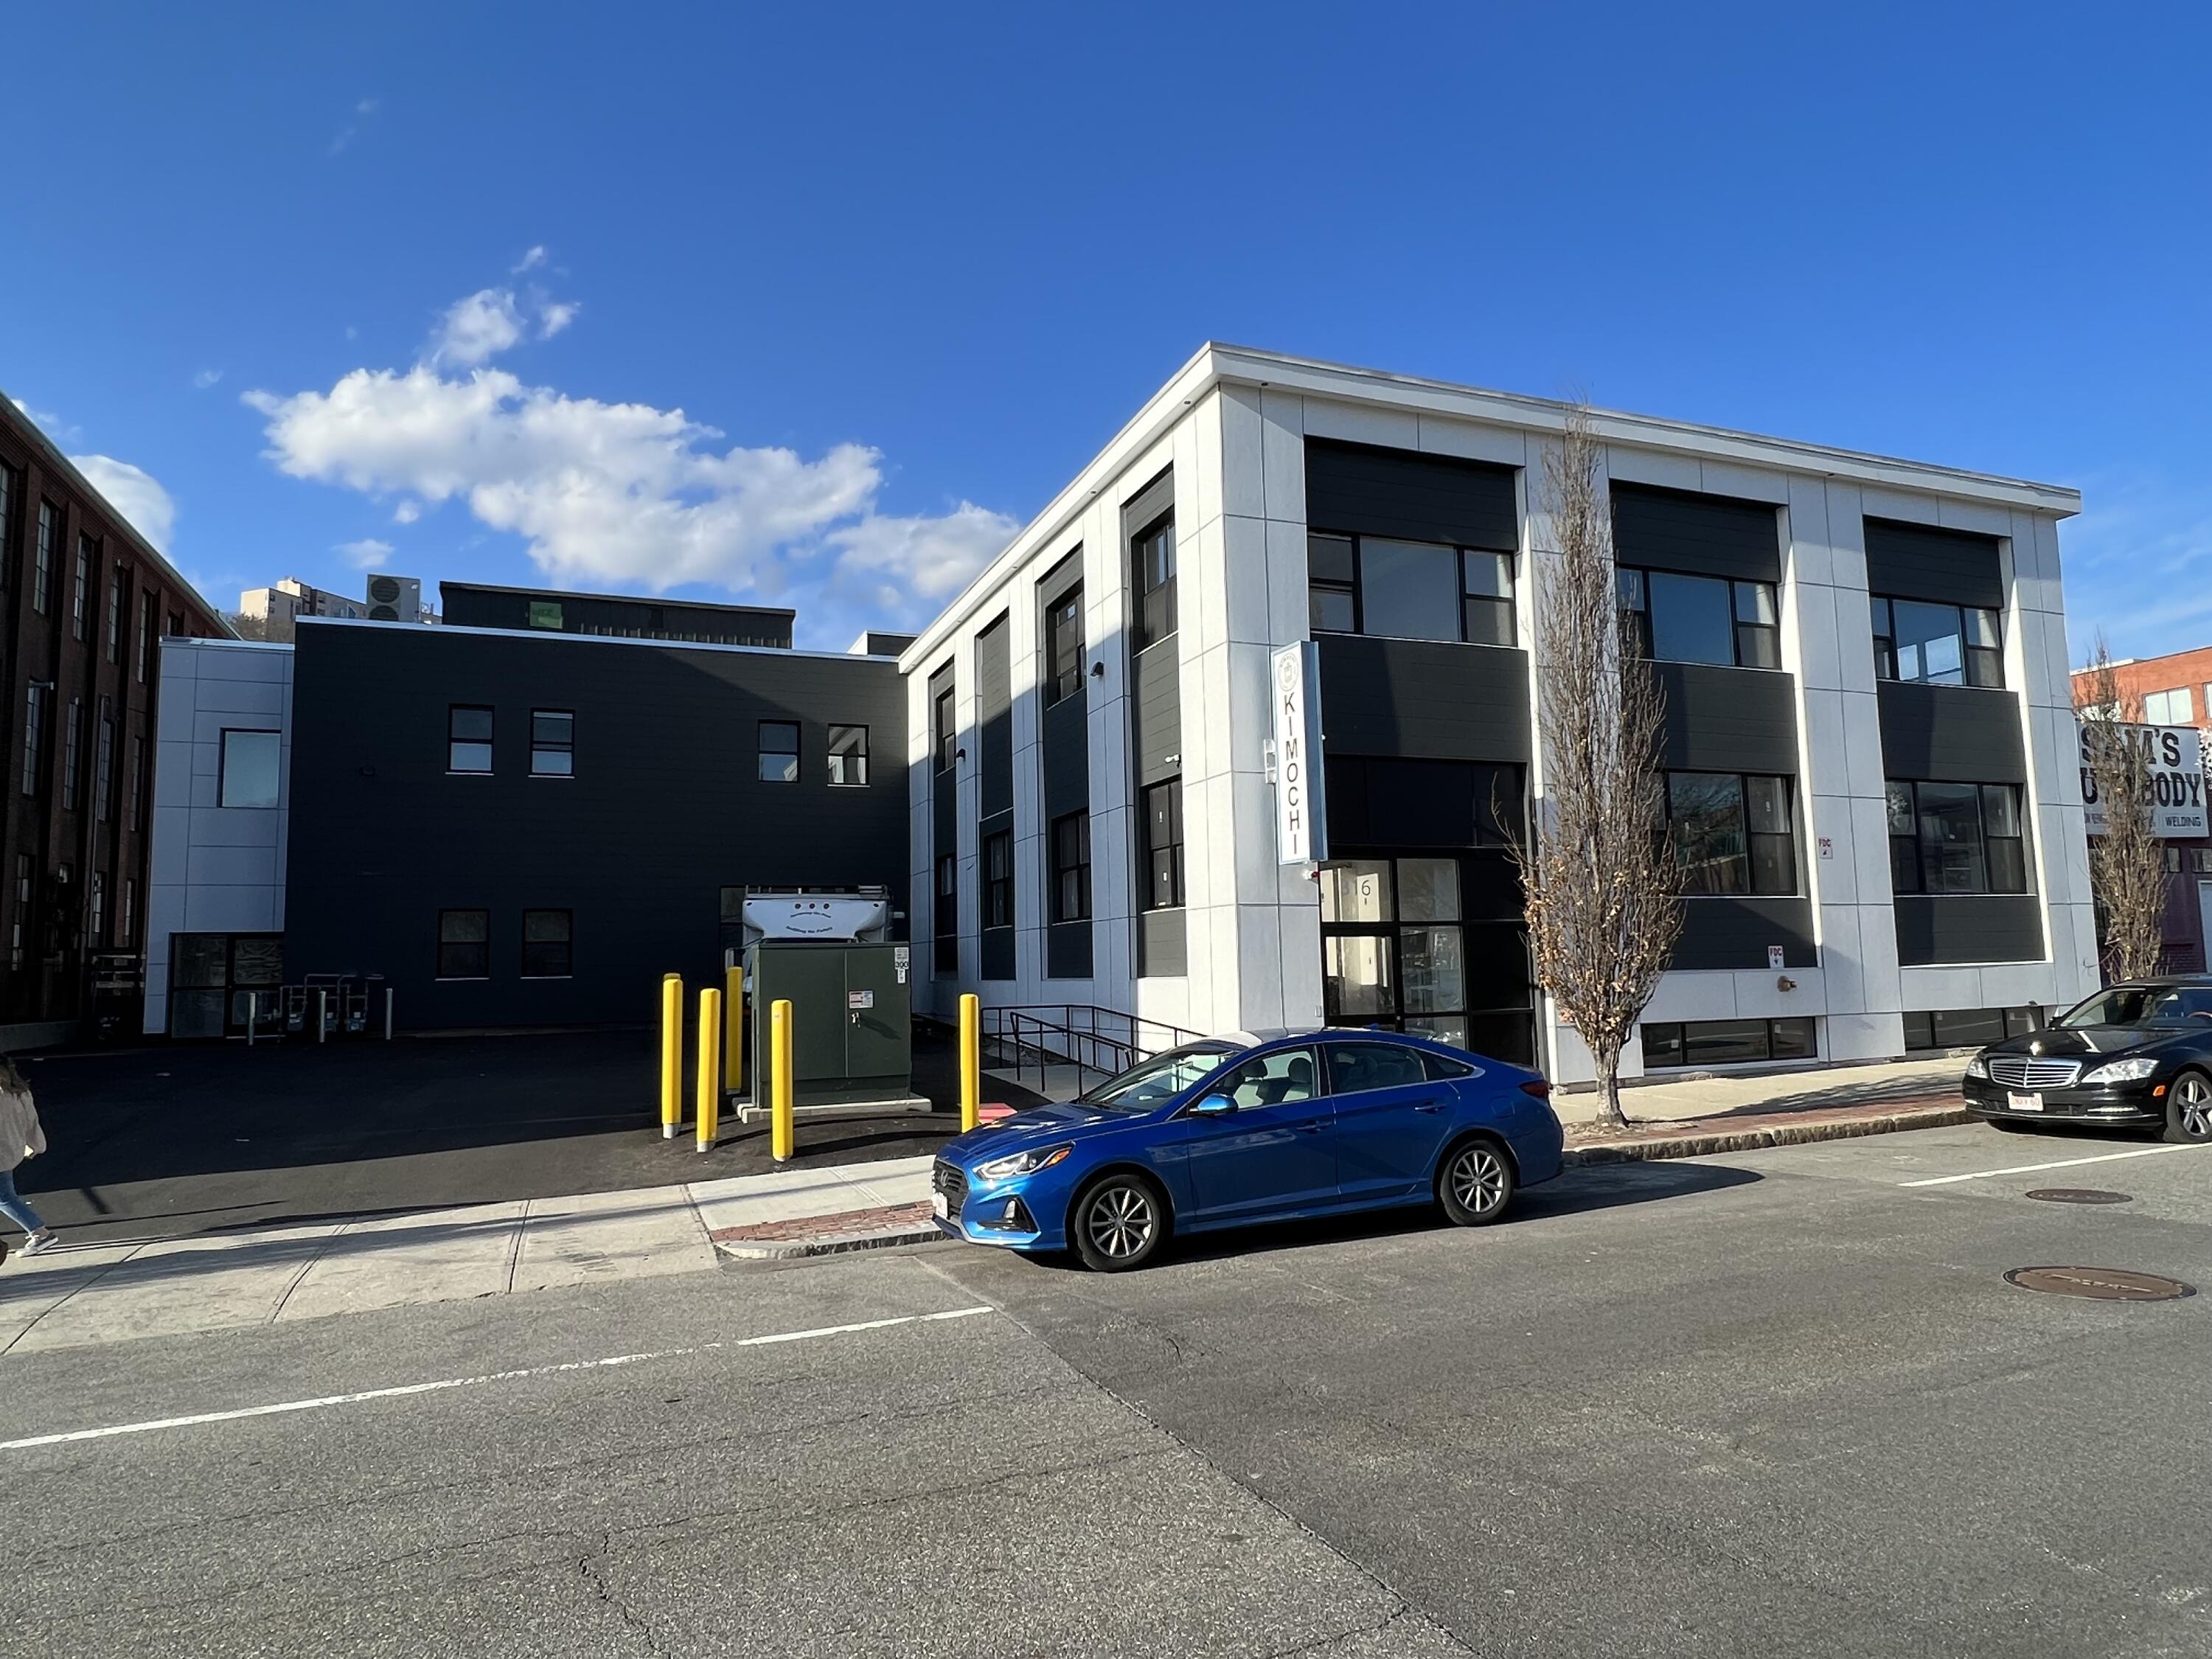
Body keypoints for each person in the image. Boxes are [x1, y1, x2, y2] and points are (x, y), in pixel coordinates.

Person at [0, 1054, 58, 1260]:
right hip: (10, 1151)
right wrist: (34, 1145)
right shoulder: (20, 1092)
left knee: (5, 1198)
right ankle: (39, 1232)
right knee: (5, 1196)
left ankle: (40, 1232)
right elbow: (31, 1121)